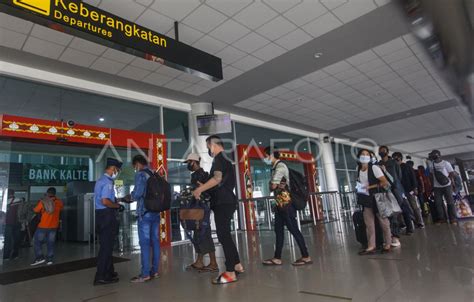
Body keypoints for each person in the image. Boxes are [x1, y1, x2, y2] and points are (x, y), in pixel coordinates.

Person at [193, 135, 244, 285]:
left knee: (223, 236)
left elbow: (217, 179)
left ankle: (230, 272)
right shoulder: (225, 160)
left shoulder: (219, 159)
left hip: (223, 203)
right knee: (226, 235)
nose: (208, 149)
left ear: (212, 145)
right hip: (227, 201)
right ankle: (236, 265)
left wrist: (199, 189)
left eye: (208, 146)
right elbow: (217, 181)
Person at [261, 147, 312, 267]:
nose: (265, 158)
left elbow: (273, 186)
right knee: (278, 230)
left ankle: (306, 256)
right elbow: (274, 185)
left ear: (272, 155)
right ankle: (277, 258)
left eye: (266, 155)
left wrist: (272, 184)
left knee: (293, 229)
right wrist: (273, 184)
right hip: (280, 204)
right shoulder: (275, 168)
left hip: (287, 204)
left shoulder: (280, 167)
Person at [127, 155, 161, 283]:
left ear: (137, 164)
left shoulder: (141, 174)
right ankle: (155, 271)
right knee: (155, 242)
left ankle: (145, 274)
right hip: (156, 213)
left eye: (134, 167)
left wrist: (129, 196)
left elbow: (137, 194)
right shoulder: (154, 173)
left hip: (145, 213)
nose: (135, 169)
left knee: (145, 244)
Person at [184, 153, 218, 273]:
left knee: (204, 233)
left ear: (194, 161)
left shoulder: (202, 175)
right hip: (197, 208)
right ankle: (199, 261)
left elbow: (206, 192)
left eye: (189, 162)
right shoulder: (196, 175)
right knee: (198, 233)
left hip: (202, 208)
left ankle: (213, 262)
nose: (188, 165)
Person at [93, 158, 124, 286]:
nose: (117, 172)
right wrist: (118, 206)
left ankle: (109, 272)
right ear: (113, 169)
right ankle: (101, 276)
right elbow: (105, 201)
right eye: (117, 170)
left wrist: (116, 201)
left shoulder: (100, 180)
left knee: (107, 245)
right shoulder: (108, 182)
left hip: (100, 215)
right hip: (107, 216)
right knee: (106, 247)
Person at [356, 149, 393, 255]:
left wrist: (369, 187)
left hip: (377, 197)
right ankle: (371, 246)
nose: (365, 156)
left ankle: (388, 244)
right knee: (369, 224)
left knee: (383, 222)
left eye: (367, 154)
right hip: (365, 198)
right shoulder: (358, 168)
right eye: (362, 154)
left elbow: (384, 182)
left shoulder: (374, 168)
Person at [30, 187, 64, 266]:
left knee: (37, 241)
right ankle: (50, 259)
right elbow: (61, 209)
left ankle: (39, 258)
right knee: (51, 242)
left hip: (43, 225)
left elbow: (35, 210)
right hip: (54, 226)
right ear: (55, 193)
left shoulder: (43, 201)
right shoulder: (59, 202)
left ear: (48, 193)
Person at [393, 153, 424, 229]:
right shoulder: (394, 167)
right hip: (399, 190)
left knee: (413, 206)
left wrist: (415, 188)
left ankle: (420, 222)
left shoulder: (407, 167)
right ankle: (403, 223)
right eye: (394, 158)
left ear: (401, 158)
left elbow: (413, 177)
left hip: (409, 189)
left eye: (397, 158)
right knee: (400, 208)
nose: (395, 160)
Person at [428, 150, 457, 225]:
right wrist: (432, 185)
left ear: (439, 155)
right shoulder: (431, 164)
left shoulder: (446, 163)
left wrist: (449, 181)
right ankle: (442, 218)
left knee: (450, 202)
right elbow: (431, 175)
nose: (433, 156)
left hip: (447, 185)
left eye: (434, 155)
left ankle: (452, 219)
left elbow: (452, 173)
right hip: (437, 187)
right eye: (432, 155)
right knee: (438, 203)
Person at [4, 190, 21, 260]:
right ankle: (15, 255)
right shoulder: (18, 200)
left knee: (8, 240)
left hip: (8, 223)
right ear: (13, 193)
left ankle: (6, 256)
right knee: (16, 239)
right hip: (17, 223)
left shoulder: (5, 202)